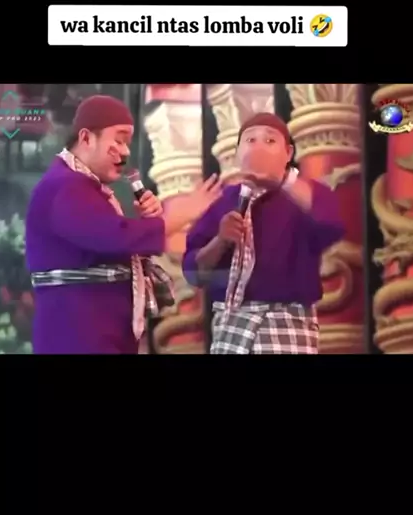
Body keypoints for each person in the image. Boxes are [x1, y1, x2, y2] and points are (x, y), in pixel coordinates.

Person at [25, 95, 221, 354]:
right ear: (86, 138)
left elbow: (106, 247)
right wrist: (173, 218)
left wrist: (148, 223)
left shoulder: (82, 186)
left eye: (127, 143)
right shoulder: (65, 186)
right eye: (118, 140)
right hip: (78, 334)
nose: (126, 152)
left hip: (94, 332)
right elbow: (112, 237)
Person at [182, 112, 346, 354]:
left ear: (288, 153)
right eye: (250, 140)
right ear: (237, 153)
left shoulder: (305, 195)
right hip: (232, 325)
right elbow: (194, 273)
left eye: (270, 141)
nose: (258, 147)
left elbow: (332, 226)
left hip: (287, 325)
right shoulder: (223, 202)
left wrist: (281, 181)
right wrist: (220, 241)